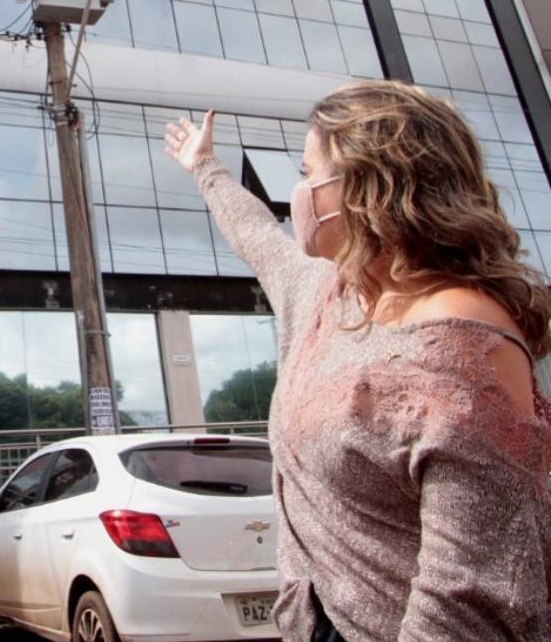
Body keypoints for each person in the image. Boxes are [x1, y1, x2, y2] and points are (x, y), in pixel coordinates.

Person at [164, 79, 551, 642]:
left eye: (305, 172)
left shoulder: (462, 345)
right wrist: (204, 166)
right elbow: (256, 235)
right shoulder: (329, 289)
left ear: (369, 185)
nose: (297, 194)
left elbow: (468, 599)